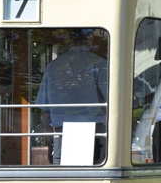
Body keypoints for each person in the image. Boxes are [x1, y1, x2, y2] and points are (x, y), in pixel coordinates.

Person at [35, 29, 109, 163]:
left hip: (62, 131)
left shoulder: (53, 66)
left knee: (65, 177)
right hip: (96, 131)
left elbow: (45, 111)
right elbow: (112, 100)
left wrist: (49, 138)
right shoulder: (100, 64)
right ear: (90, 39)